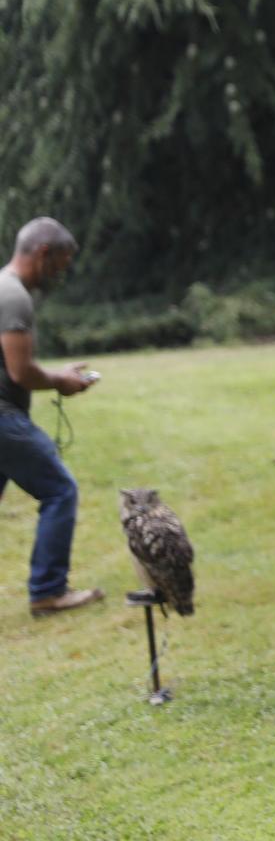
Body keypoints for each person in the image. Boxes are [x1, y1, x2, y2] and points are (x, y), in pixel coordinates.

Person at [0, 217, 103, 616]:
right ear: (43, 254)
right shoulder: (14, 297)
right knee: (60, 489)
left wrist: (59, 375)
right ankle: (47, 592)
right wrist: (60, 381)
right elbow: (20, 372)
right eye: (62, 262)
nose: (62, 272)